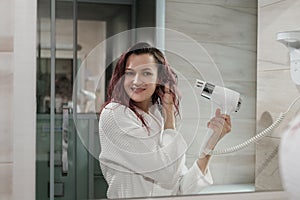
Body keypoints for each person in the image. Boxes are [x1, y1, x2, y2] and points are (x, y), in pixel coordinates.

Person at [98, 42, 232, 199]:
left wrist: (211, 142)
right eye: (130, 73)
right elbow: (166, 173)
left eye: (146, 73)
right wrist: (170, 121)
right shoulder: (114, 114)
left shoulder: (157, 117)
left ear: (159, 79)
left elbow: (181, 188)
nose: (136, 81)